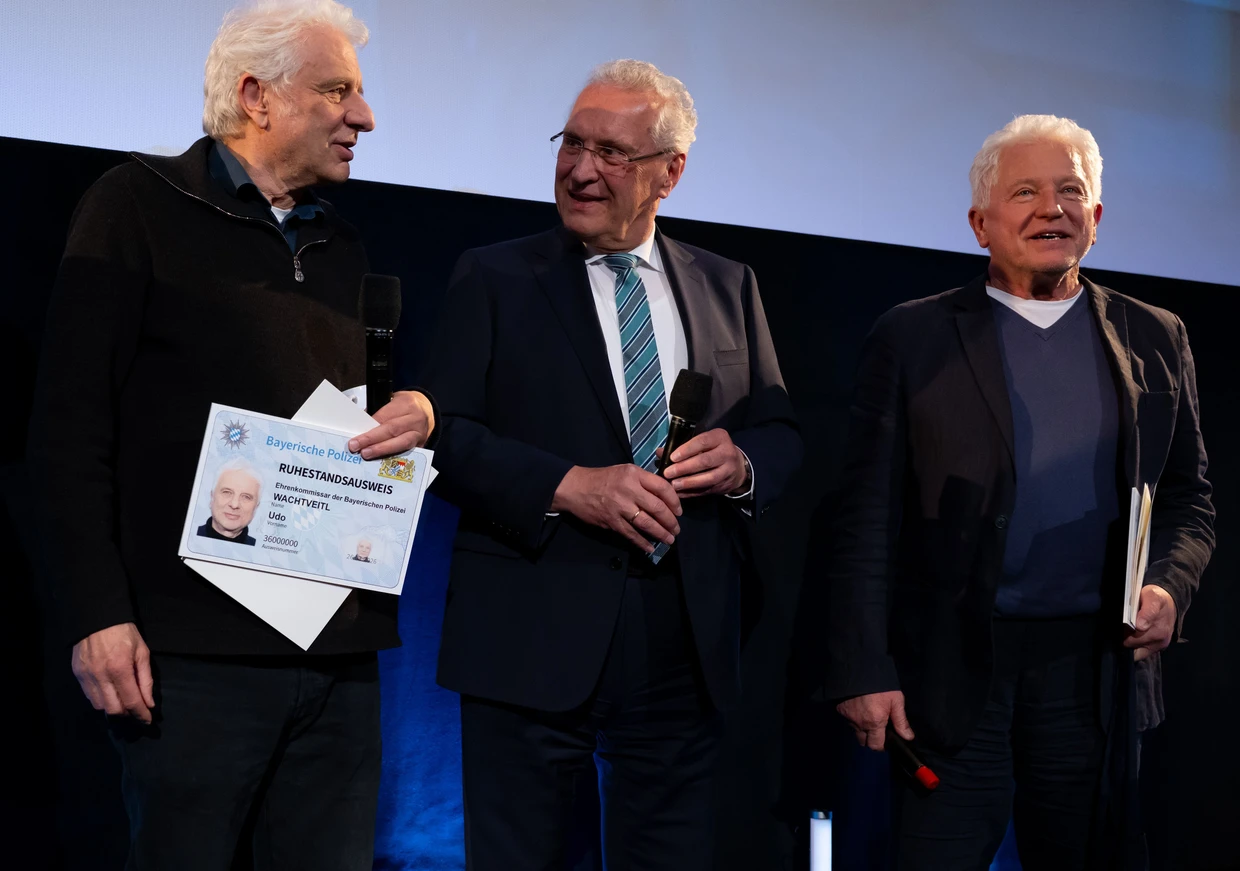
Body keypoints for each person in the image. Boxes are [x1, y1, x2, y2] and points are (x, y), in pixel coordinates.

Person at [27, 2, 436, 868]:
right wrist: (99, 614)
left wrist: (413, 418)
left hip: (337, 654)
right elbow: (68, 431)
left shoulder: (343, 244)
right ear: (257, 95)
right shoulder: (135, 205)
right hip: (190, 662)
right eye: (338, 91)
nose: (364, 116)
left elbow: (358, 423)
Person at [421, 59, 802, 870]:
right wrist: (569, 486)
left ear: (672, 172)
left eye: (612, 152)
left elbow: (780, 431)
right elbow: (443, 434)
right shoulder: (494, 278)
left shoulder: (729, 286)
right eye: (573, 143)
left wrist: (741, 463)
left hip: (682, 637)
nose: (581, 168)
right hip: (532, 627)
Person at [823, 114, 1215, 870]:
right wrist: (863, 665)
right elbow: (864, 518)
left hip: (1095, 674)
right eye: (1026, 191)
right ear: (980, 223)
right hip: (951, 672)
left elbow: (1188, 497)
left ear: (1096, 220)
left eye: (1072, 191)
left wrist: (1168, 583)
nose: (1053, 208)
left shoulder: (1156, 335)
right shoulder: (912, 337)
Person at [197, 459, 264, 545]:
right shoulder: (190, 538)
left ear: (256, 507)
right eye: (227, 492)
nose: (234, 504)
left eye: (246, 497)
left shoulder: (261, 552)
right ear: (212, 497)